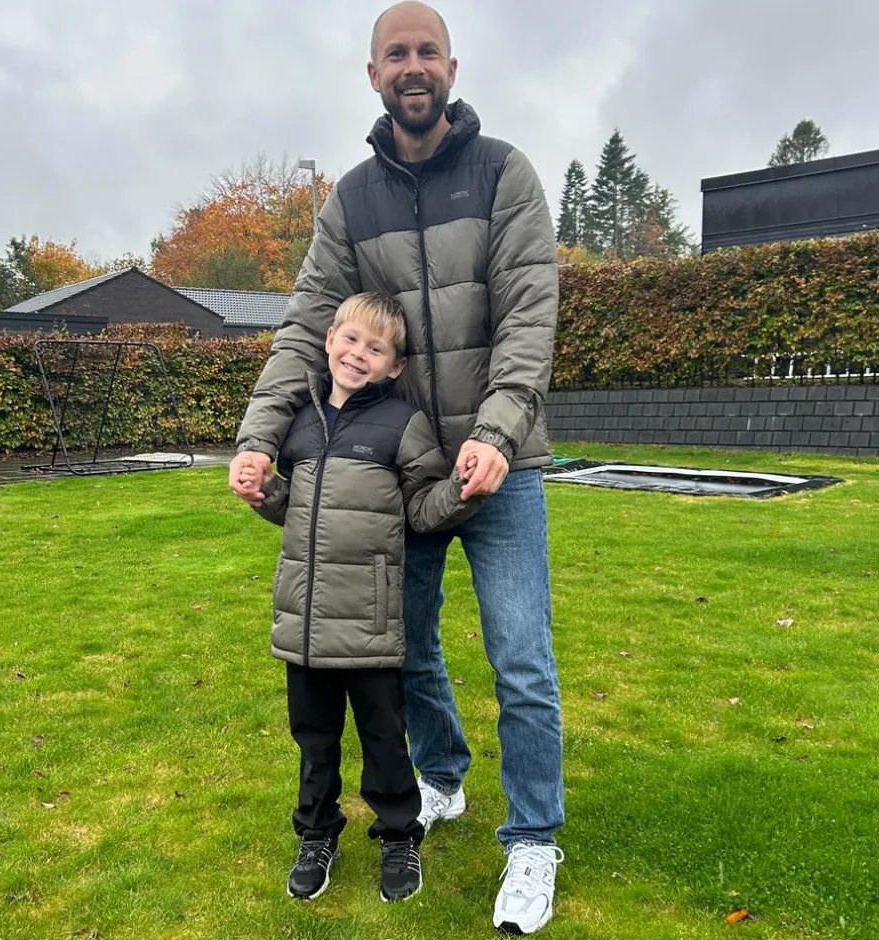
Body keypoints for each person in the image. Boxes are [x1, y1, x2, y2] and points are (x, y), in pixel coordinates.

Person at [229, 2, 564, 932]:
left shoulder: (505, 173)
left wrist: (497, 433)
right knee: (403, 650)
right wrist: (259, 437)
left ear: (451, 67)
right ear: (373, 74)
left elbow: (529, 315)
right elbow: (305, 326)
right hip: (395, 476)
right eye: (395, 54)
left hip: (502, 467)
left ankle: (533, 838)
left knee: (521, 659)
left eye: (427, 52)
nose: (413, 66)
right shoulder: (350, 200)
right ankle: (443, 775)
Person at [243, 291, 482, 903]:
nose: (358, 354)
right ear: (329, 341)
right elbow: (298, 510)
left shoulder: (403, 424)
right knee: (314, 740)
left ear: (394, 366)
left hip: (371, 622)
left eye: (375, 348)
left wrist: (463, 490)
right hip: (304, 622)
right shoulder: (298, 422)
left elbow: (422, 509)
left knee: (383, 739)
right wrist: (264, 494)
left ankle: (400, 835)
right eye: (350, 339)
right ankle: (316, 834)